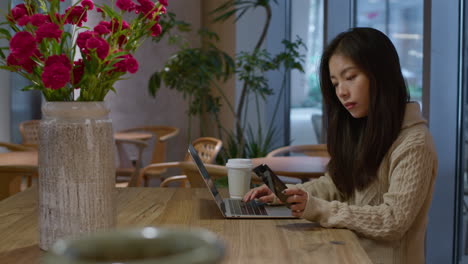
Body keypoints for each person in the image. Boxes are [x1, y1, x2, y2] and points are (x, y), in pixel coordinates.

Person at [243, 27, 438, 264]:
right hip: (346, 251)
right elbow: (334, 184)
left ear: (381, 75)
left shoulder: (415, 143)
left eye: (350, 77)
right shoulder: (363, 129)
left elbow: (392, 220)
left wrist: (318, 209)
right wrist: (285, 195)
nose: (342, 92)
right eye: (335, 83)